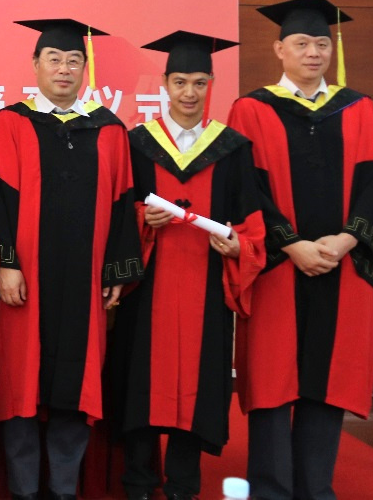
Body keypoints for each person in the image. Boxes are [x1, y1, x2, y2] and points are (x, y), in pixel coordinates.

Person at [227, 0, 373, 500]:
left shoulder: (359, 108)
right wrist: (292, 244)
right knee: (273, 379)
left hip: (340, 264)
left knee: (327, 376)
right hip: (278, 265)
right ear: (280, 49)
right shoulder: (252, 110)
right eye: (301, 43)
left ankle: (316, 487)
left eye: (322, 43)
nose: (313, 52)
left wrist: (345, 240)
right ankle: (271, 489)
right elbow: (245, 188)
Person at [0, 18, 142, 500]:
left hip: (85, 283)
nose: (65, 69)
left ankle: (64, 490)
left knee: (76, 385)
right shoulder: (10, 123)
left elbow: (122, 204)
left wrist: (116, 272)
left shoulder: (109, 129)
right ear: (35, 65)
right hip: (27, 280)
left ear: (85, 68)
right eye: (54, 59)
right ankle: (24, 490)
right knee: (21, 387)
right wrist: (8, 264)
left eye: (74, 60)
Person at [108, 31, 265, 500]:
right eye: (180, 82)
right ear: (165, 84)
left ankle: (183, 484)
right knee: (140, 379)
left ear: (211, 84)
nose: (190, 93)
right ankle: (138, 482)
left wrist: (238, 245)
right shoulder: (138, 144)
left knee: (196, 386)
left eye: (199, 83)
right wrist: (143, 218)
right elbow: (116, 210)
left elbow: (252, 221)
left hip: (206, 284)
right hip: (147, 286)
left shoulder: (232, 148)